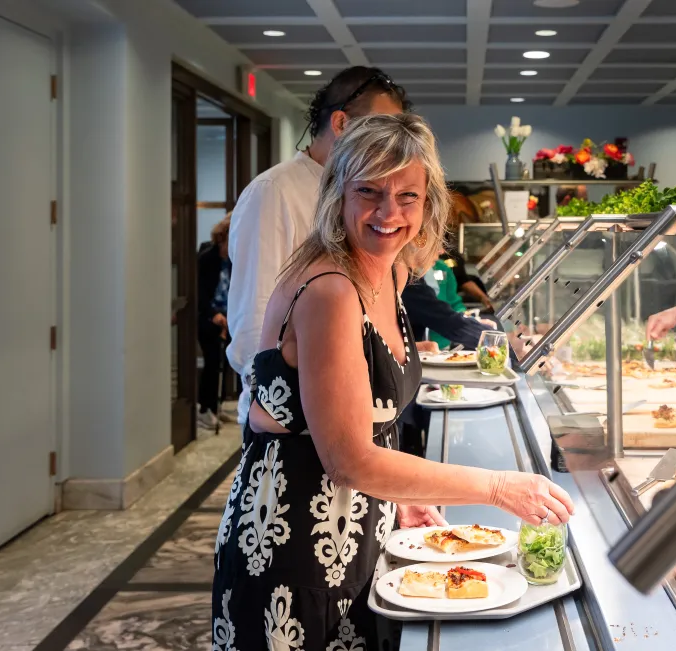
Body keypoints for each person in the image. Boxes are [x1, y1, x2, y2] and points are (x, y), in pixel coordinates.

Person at [212, 114, 574, 651]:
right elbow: (349, 459)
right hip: (292, 545)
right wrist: (497, 488)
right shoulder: (332, 289)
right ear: (338, 193)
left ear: (430, 203)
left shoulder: (389, 270)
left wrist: (401, 495)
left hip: (356, 526)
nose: (389, 213)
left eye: (408, 196)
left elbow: (365, 423)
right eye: (369, 192)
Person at [227, 66, 410, 427]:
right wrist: (282, 408)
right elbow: (252, 321)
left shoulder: (357, 193)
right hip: (294, 418)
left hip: (360, 408)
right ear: (341, 123)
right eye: (380, 131)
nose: (390, 145)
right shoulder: (275, 191)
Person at [197, 215, 232, 429]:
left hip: (228, 318)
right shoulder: (206, 258)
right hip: (209, 317)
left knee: (224, 363)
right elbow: (199, 292)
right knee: (211, 363)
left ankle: (217, 406)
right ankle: (204, 409)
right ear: (222, 238)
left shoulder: (233, 261)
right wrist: (213, 314)